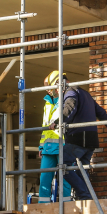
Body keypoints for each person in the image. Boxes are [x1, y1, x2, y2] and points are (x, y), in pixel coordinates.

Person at [48, 72, 107, 201]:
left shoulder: (71, 92)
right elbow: (101, 113)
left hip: (78, 138)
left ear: (59, 84)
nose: (55, 92)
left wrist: (57, 122)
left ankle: (85, 196)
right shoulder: (86, 94)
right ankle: (85, 199)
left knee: (63, 167)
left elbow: (69, 108)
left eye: (54, 89)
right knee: (81, 171)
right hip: (91, 141)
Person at [38, 71, 72, 203]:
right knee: (44, 178)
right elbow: (44, 127)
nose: (47, 89)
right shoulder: (47, 103)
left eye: (48, 85)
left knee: (65, 177)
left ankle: (66, 204)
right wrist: (41, 146)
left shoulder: (67, 98)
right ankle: (43, 206)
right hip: (48, 147)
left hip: (63, 144)